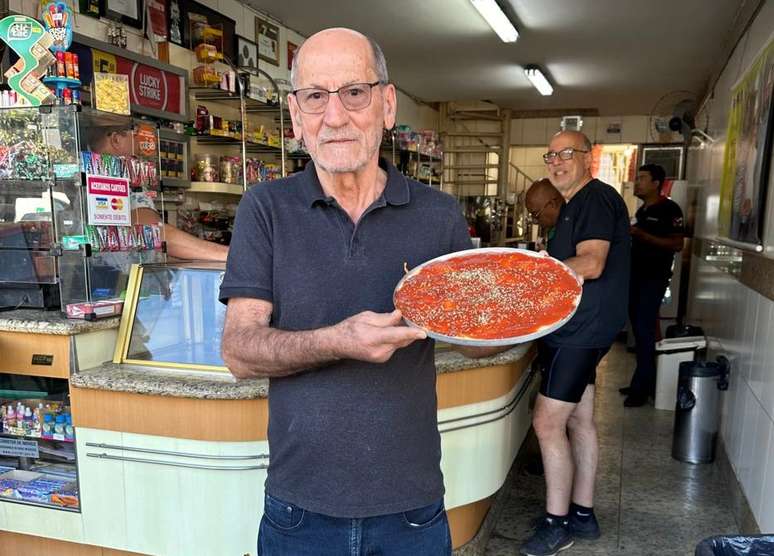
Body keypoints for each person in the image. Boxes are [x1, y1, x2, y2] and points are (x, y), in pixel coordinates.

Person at [219, 28, 505, 556]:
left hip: (411, 509)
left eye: (354, 93)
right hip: (299, 508)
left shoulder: (438, 215)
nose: (335, 116)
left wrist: (514, 313)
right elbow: (239, 351)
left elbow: (475, 340)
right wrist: (340, 340)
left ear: (387, 104)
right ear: (295, 115)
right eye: (315, 97)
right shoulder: (265, 209)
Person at [520, 131, 630, 556]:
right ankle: (581, 513)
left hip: (581, 330)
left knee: (547, 423)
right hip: (583, 327)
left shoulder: (595, 199)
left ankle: (556, 524)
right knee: (580, 421)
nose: (557, 161)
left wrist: (534, 278)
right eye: (551, 154)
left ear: (588, 157)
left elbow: (593, 263)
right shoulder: (573, 205)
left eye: (568, 153)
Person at [87, 127, 228, 261]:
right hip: (121, 279)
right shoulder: (120, 175)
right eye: (135, 133)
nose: (139, 143)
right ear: (116, 139)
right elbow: (153, 232)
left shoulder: (86, 170)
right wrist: (228, 254)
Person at [620, 164, 684, 407]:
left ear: (657, 183)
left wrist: (642, 236)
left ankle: (642, 389)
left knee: (645, 331)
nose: (637, 183)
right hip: (635, 278)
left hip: (653, 279)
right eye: (637, 179)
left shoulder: (669, 209)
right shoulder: (643, 210)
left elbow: (677, 244)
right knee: (639, 331)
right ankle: (642, 382)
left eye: (642, 179)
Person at [526, 178, 564, 246]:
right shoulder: (553, 228)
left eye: (536, 214)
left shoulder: (574, 228)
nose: (534, 221)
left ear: (552, 204)